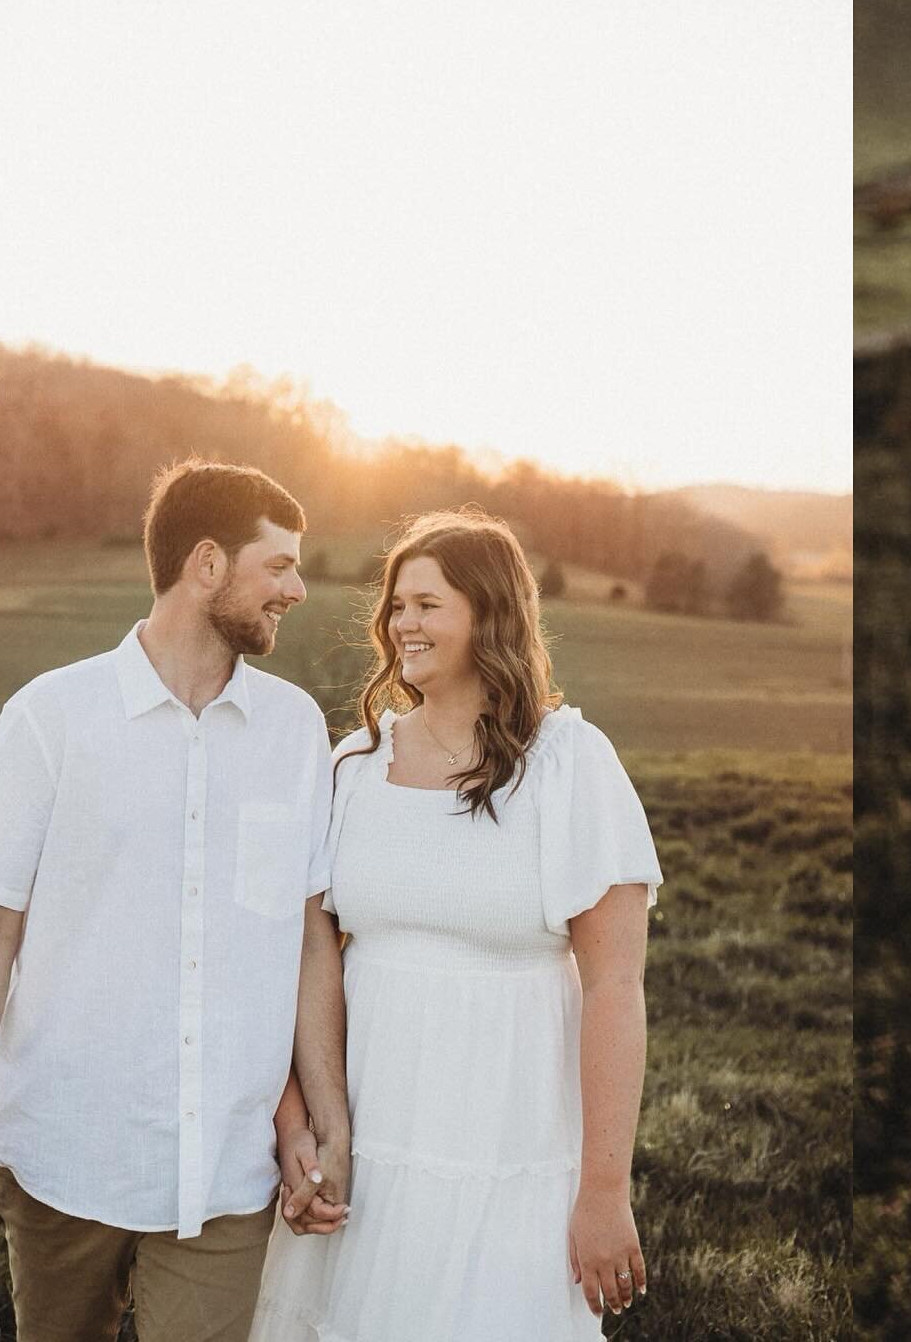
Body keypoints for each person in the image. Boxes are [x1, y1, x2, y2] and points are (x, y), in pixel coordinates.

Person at [0, 459, 351, 1342]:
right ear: (206, 565)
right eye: (278, 566)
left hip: (227, 1170)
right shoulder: (53, 716)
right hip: (66, 1152)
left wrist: (322, 1123)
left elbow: (310, 942)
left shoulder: (297, 732)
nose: (298, 589)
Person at [250, 508, 663, 1341]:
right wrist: (301, 1126)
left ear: (491, 613)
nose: (403, 622)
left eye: (428, 604)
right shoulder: (354, 764)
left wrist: (603, 1191)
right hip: (369, 1131)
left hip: (511, 1139)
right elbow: (300, 959)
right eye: (396, 604)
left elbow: (616, 986)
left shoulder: (569, 764)